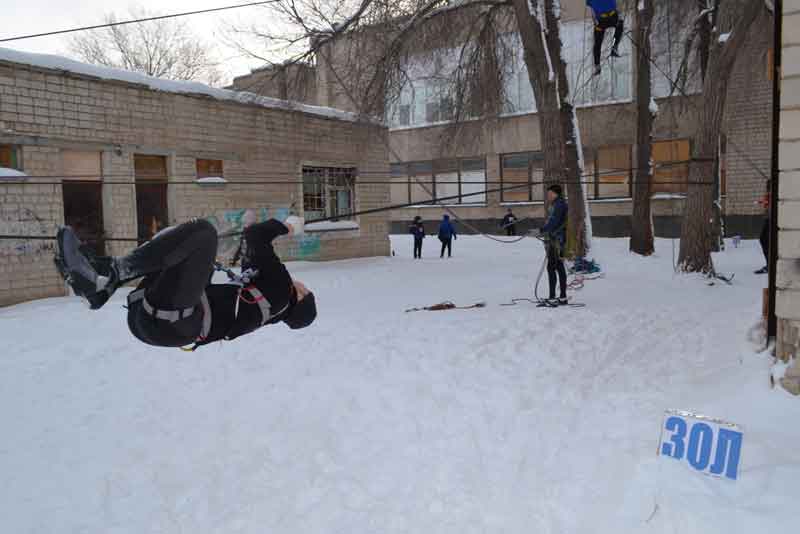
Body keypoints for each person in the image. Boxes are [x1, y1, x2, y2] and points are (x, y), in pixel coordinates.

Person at [54, 216, 317, 350]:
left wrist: (289, 227)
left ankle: (110, 275)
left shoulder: (281, 291)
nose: (301, 284)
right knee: (175, 243)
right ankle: (102, 277)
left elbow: (257, 236)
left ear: (300, 298)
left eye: (305, 290)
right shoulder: (268, 300)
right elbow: (252, 244)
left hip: (174, 320)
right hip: (153, 324)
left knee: (203, 233)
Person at [540, 184, 569, 305]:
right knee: (559, 267)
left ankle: (553, 298)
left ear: (555, 193)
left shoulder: (559, 205)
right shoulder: (559, 204)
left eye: (550, 193)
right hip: (558, 240)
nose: (548, 196)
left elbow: (554, 221)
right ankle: (562, 297)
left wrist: (542, 229)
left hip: (556, 241)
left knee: (551, 267)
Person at [587, 0, 623, 76]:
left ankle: (597, 65)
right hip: (612, 17)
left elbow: (591, 9)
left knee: (597, 43)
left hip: (600, 21)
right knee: (619, 26)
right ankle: (614, 46)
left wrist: (595, 21)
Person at [755, 185, 770, 274]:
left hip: (771, 220)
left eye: (768, 189)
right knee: (764, 240)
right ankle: (769, 264)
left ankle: (770, 264)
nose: (767, 191)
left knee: (764, 239)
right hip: (768, 219)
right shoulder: (768, 196)